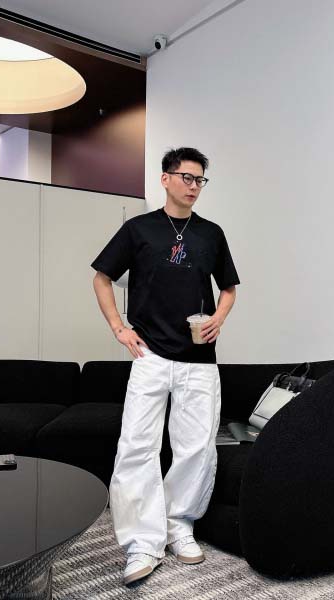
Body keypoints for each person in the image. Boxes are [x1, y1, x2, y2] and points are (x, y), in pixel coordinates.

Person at [91, 147, 240, 585]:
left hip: (199, 359)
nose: (193, 186)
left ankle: (179, 525)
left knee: (196, 447)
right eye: (186, 178)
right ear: (166, 179)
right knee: (137, 446)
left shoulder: (211, 234)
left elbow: (229, 288)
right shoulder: (139, 229)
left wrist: (219, 318)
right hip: (150, 355)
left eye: (200, 180)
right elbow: (101, 277)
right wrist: (119, 328)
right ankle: (142, 542)